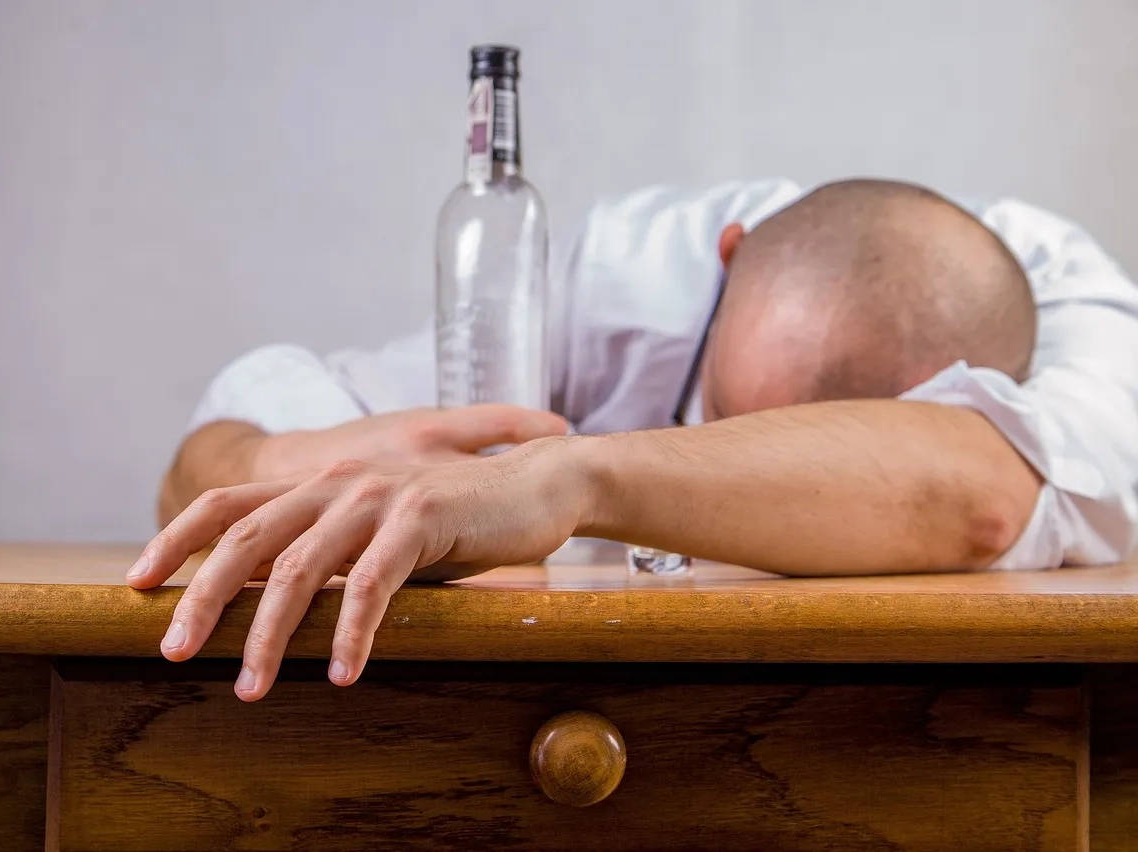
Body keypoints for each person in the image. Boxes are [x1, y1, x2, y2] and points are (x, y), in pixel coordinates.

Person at [127, 178, 1138, 701]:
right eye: (720, 413)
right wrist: (276, 465)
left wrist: (562, 482)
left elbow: (978, 503)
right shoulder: (619, 274)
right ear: (724, 259)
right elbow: (217, 444)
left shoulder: (1078, 309)